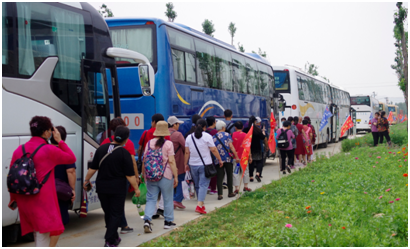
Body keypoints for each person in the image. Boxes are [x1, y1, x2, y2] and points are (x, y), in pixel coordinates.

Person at [8, 116, 76, 247]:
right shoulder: (49, 150)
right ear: (45, 132)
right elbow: (71, 158)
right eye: (50, 130)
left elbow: (12, 177)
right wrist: (60, 141)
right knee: (42, 236)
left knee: (37, 233)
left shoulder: (19, 150)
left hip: (23, 199)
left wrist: (13, 199)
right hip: (41, 199)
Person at [100, 117, 138, 234]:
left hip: (105, 179)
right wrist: (136, 176)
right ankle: (121, 227)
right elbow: (132, 162)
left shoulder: (105, 142)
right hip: (122, 179)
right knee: (118, 204)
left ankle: (114, 227)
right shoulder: (129, 143)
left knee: (110, 206)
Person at [141, 121, 179, 233]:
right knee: (167, 198)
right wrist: (175, 176)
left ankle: (147, 220)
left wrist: (144, 175)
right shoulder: (168, 144)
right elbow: (171, 161)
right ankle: (168, 221)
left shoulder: (148, 143)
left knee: (151, 199)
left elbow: (144, 160)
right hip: (166, 175)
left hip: (151, 175)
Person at [184, 119, 223, 214]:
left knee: (198, 185)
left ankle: (200, 203)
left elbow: (186, 152)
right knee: (203, 185)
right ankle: (199, 205)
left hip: (193, 164)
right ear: (205, 127)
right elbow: (213, 149)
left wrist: (185, 164)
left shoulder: (189, 137)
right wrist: (219, 159)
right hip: (205, 164)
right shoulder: (207, 136)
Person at [136, 113, 170, 219]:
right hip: (163, 167)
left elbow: (140, 149)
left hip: (149, 166)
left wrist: (141, 160)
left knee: (150, 191)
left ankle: (153, 212)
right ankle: (162, 208)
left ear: (154, 122)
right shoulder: (166, 136)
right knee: (165, 189)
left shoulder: (146, 133)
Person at [49, 126, 76, 226]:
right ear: (64, 137)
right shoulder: (65, 152)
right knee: (60, 218)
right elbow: (71, 171)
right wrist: (72, 190)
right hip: (61, 190)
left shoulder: (44, 150)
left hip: (46, 188)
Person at [213, 121, 240, 200]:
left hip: (219, 159)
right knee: (229, 175)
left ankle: (220, 194)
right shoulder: (227, 135)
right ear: (222, 127)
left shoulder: (213, 137)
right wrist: (236, 156)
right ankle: (230, 192)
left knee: (219, 177)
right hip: (228, 158)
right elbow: (231, 147)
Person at [167, 116, 186, 209]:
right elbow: (184, 147)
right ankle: (177, 200)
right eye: (178, 124)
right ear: (174, 124)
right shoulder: (178, 135)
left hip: (166, 162)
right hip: (177, 161)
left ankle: (171, 200)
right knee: (181, 180)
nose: (178, 126)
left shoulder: (164, 133)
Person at [243, 116, 268, 182]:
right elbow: (263, 138)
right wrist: (267, 145)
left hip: (249, 149)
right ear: (255, 121)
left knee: (251, 162)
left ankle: (251, 177)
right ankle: (257, 174)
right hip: (257, 148)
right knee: (259, 161)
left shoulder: (246, 129)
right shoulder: (258, 129)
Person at [232, 121, 252, 193]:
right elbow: (248, 147)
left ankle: (236, 188)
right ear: (243, 127)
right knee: (245, 171)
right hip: (244, 158)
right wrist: (250, 156)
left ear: (235, 128)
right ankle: (246, 187)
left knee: (236, 172)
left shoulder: (232, 135)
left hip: (236, 158)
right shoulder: (245, 135)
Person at [205, 116, 218, 195]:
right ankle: (213, 188)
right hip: (213, 153)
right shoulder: (215, 132)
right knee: (213, 170)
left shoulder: (205, 131)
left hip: (206, 153)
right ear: (214, 122)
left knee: (207, 170)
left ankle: (208, 186)